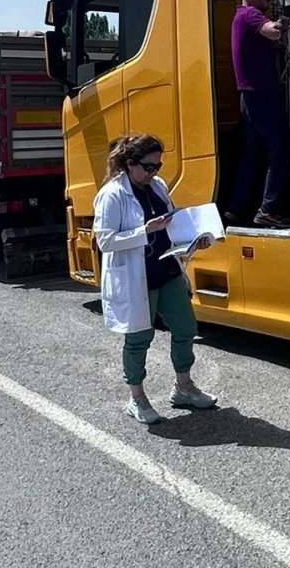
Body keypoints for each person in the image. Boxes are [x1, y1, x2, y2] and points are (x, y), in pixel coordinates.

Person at [94, 133, 217, 424]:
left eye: (157, 166)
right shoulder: (112, 194)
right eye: (148, 167)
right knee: (139, 339)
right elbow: (105, 241)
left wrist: (193, 239)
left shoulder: (158, 186)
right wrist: (144, 231)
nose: (153, 173)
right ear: (129, 164)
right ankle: (136, 398)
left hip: (167, 270)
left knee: (186, 327)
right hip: (137, 277)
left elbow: (170, 225)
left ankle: (183, 387)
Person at [226, 0, 290, 228]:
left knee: (254, 153)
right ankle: (268, 210)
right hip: (262, 93)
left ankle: (237, 208)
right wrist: (284, 24)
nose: (270, 4)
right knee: (283, 150)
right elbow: (273, 31)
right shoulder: (251, 15)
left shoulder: (238, 18)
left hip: (248, 96)